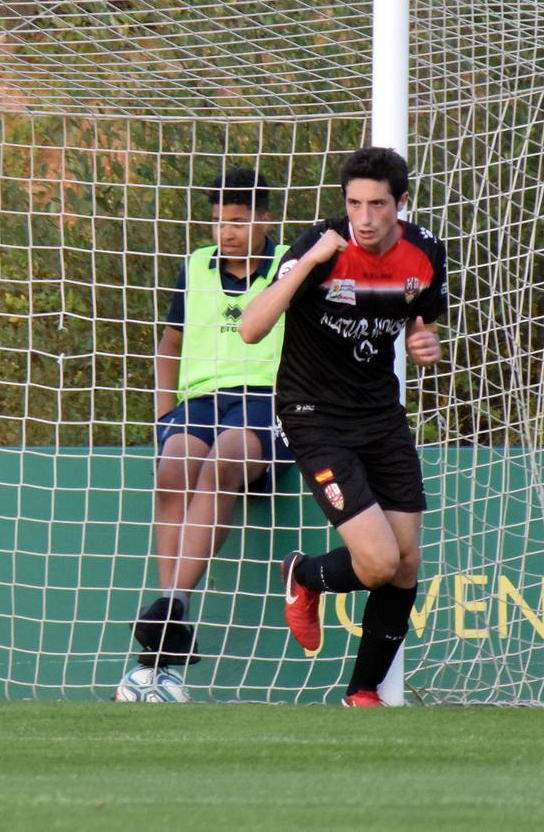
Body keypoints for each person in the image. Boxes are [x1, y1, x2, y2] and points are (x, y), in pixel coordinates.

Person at [238, 146, 447, 707]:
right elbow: (251, 329)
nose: (364, 217)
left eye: (378, 204)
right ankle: (304, 576)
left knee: (405, 564)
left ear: (400, 203)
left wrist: (422, 343)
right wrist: (305, 264)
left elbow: (417, 326)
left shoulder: (425, 253)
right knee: (377, 562)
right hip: (313, 416)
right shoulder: (319, 248)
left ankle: (363, 692)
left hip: (380, 415)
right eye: (354, 203)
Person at [134, 168, 294, 667]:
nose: (226, 233)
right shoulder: (197, 266)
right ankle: (171, 615)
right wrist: (164, 416)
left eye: (238, 222)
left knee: (224, 461)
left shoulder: (290, 268)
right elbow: (171, 345)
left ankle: (172, 607)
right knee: (173, 467)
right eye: (218, 222)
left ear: (264, 219)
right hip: (199, 403)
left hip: (265, 404)